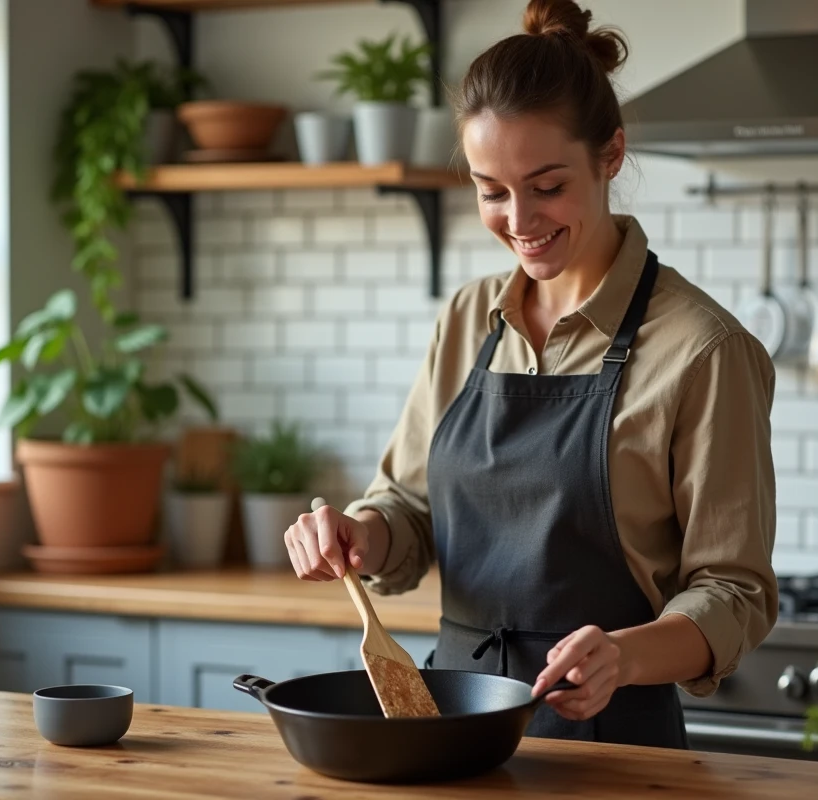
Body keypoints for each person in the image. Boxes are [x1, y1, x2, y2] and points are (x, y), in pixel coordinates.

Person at [284, 0, 778, 749]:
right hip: (450, 728)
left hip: (611, 745)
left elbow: (735, 593)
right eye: (492, 191)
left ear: (611, 155)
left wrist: (624, 656)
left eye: (547, 187)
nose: (519, 221)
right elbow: (408, 509)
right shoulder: (468, 318)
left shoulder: (702, 350)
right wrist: (359, 535)